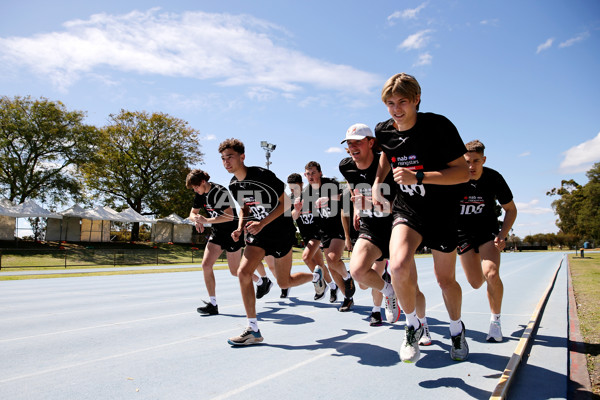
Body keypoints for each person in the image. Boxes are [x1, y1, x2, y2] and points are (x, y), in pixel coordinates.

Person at [372, 73, 470, 362]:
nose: (396, 109)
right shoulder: (384, 131)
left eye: (402, 102)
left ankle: (456, 329)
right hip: (408, 209)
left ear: (416, 100)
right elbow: (386, 157)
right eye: (390, 103)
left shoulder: (439, 126)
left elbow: (463, 172)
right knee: (399, 265)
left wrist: (420, 176)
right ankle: (412, 325)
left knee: (445, 280)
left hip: (442, 212)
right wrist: (378, 182)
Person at [219, 139, 325, 346]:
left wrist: (263, 222)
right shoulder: (233, 184)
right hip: (258, 235)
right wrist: (240, 227)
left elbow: (286, 203)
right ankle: (253, 329)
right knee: (243, 272)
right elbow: (245, 209)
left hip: (281, 232)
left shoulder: (262, 175)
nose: (226, 162)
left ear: (242, 157)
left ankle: (315, 275)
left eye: (230, 157)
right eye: (223, 159)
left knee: (284, 282)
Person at [339, 123, 431, 337]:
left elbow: (402, 203)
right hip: (371, 227)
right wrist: (356, 208)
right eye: (349, 143)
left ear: (371, 143)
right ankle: (388, 291)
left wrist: (374, 203)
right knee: (357, 271)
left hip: (397, 227)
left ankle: (423, 325)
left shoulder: (388, 165)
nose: (352, 147)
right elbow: (353, 188)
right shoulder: (345, 166)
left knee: (412, 287)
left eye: (358, 142)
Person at [186, 169, 273, 315]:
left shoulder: (219, 192)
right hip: (217, 233)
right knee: (206, 265)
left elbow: (229, 216)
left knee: (235, 271)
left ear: (203, 182)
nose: (195, 190)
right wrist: (196, 220)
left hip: (231, 233)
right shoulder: (200, 194)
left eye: (196, 187)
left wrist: (206, 220)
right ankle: (213, 304)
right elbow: (192, 213)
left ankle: (262, 282)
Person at [457, 139, 517, 342]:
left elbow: (511, 210)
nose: (471, 166)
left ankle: (495, 322)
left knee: (491, 273)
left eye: (475, 161)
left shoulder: (494, 178)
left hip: (487, 233)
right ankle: (481, 271)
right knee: (475, 283)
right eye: (467, 162)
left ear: (483, 159)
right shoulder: (455, 178)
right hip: (463, 235)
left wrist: (502, 234)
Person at [303, 161, 356, 312]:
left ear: (320, 173)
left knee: (332, 259)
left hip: (338, 227)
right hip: (323, 231)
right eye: (308, 174)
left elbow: (347, 196)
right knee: (332, 268)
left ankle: (347, 278)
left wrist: (329, 198)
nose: (310, 176)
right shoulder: (307, 192)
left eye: (313, 173)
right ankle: (348, 297)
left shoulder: (330, 184)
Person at [286, 173, 333, 301]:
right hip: (306, 235)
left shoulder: (311, 194)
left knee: (306, 257)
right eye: (290, 188)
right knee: (320, 265)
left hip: (317, 232)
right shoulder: (291, 199)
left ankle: (320, 282)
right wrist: (297, 209)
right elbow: (293, 217)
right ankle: (333, 286)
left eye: (295, 187)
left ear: (301, 185)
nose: (292, 191)